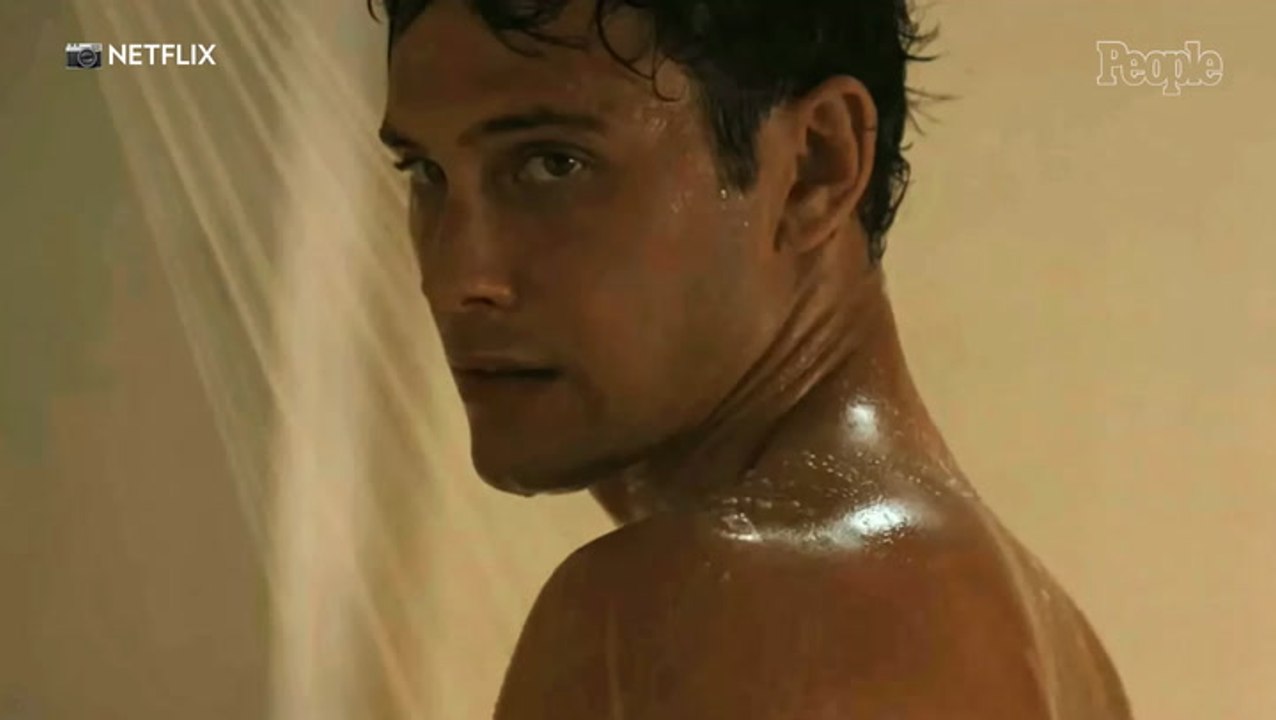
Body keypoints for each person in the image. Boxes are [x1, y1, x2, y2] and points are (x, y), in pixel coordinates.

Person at [374, 0, 1133, 717]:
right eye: (425, 173)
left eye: (553, 164)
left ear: (815, 166)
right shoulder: (1048, 639)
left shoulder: (712, 604)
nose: (457, 277)